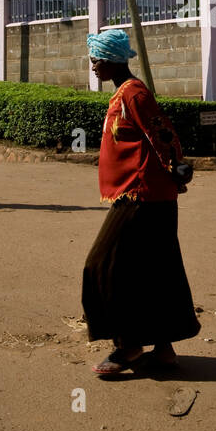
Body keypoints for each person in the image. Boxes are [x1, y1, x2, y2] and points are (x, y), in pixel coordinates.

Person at [81, 29, 199, 377]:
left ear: (112, 60)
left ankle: (130, 346)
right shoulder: (123, 92)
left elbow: (160, 131)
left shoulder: (134, 92)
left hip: (142, 195)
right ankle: (163, 351)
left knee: (102, 264)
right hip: (145, 195)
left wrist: (174, 165)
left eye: (96, 60)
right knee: (154, 270)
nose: (93, 67)